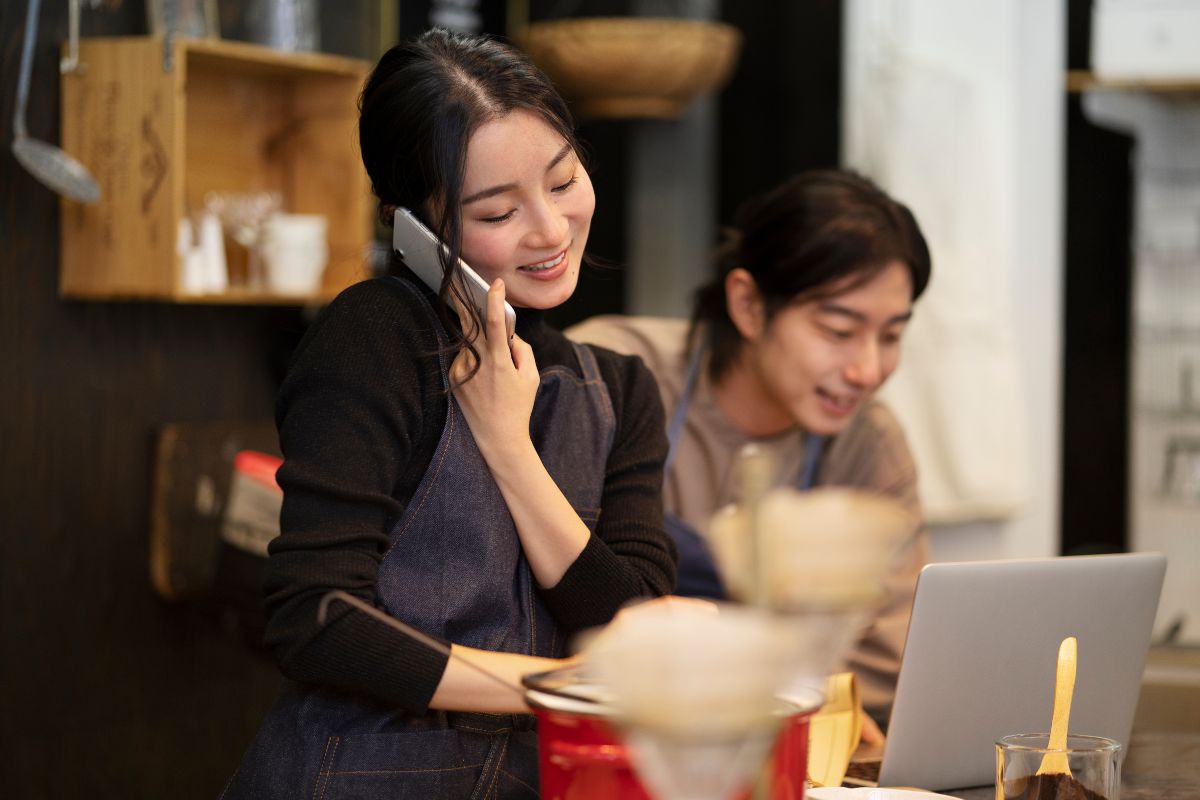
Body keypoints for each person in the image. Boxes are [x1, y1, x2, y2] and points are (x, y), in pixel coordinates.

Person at [221, 29, 676, 800]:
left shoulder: (620, 389)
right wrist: (557, 685)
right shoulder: (375, 338)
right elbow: (318, 615)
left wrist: (511, 451)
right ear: (416, 229)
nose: (552, 229)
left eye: (563, 181)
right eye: (498, 211)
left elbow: (635, 625)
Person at [567, 169, 932, 723]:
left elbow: (892, 656)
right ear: (749, 305)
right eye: (838, 330)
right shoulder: (609, 376)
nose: (868, 369)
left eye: (891, 336)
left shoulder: (870, 442)